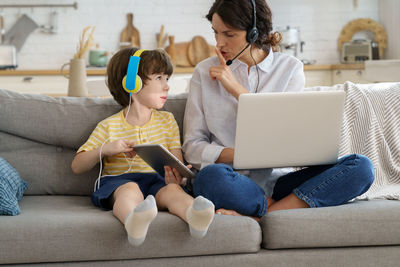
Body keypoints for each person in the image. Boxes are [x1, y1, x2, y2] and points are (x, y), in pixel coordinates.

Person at [182, 0, 374, 220]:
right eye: (215, 33)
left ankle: (265, 214)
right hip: (230, 179)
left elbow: (286, 140)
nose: (219, 43)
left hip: (278, 183)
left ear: (254, 32)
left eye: (229, 34)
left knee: (362, 167)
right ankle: (285, 208)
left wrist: (236, 89)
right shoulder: (204, 72)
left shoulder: (290, 69)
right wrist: (243, 156)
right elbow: (192, 147)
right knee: (209, 178)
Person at [71, 48, 214, 246]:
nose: (167, 87)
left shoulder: (167, 121)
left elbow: (176, 161)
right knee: (129, 190)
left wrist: (178, 176)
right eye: (159, 78)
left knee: (173, 192)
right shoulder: (108, 126)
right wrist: (105, 149)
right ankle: (133, 221)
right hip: (120, 181)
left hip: (157, 181)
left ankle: (195, 216)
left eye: (167, 79)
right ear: (132, 83)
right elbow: (77, 166)